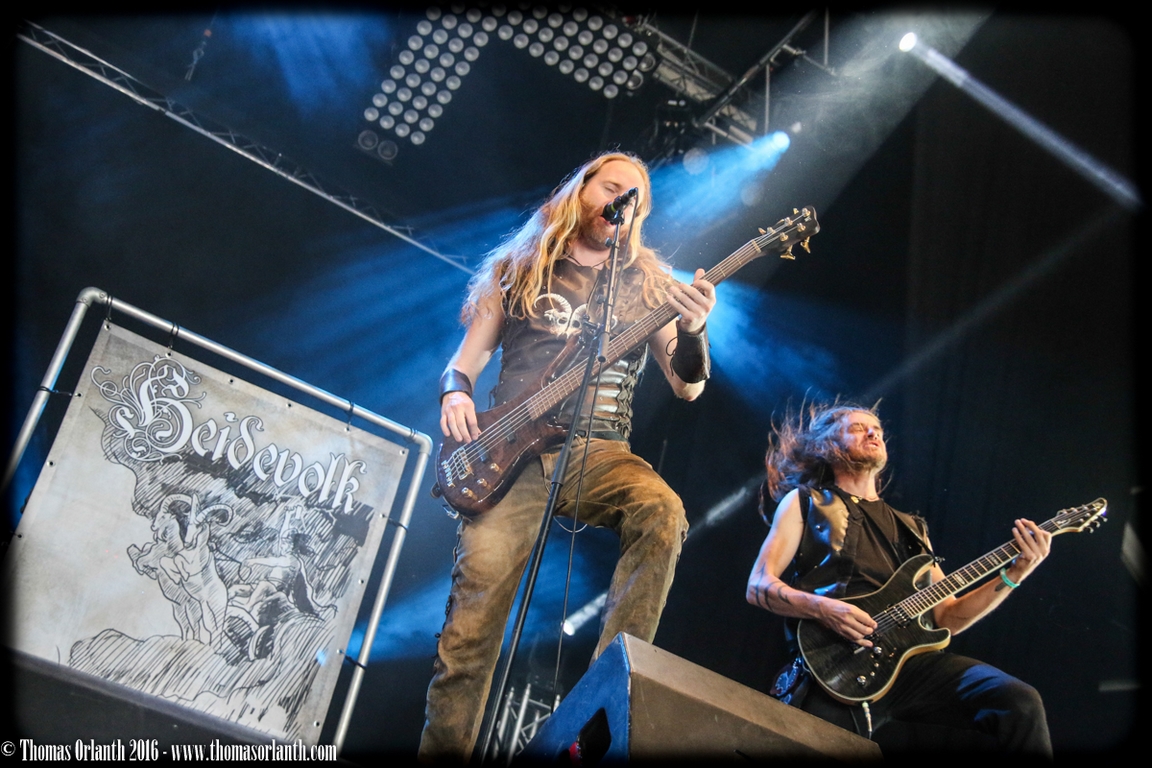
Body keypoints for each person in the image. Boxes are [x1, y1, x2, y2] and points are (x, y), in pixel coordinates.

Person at [420, 151, 717, 762]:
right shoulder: (520, 268)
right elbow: (462, 363)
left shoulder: (650, 284)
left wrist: (693, 332)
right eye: (612, 187)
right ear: (581, 191)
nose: (622, 201)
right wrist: (455, 393)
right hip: (509, 453)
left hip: (599, 448)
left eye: (635, 198)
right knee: (469, 635)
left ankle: (603, 705)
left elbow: (688, 386)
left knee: (662, 512)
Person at [746, 402, 1053, 755]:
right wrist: (824, 609)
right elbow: (759, 586)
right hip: (836, 662)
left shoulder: (913, 529)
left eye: (877, 429)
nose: (873, 433)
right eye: (858, 428)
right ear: (827, 446)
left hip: (908, 665)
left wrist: (1015, 572)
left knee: (1018, 701)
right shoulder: (806, 502)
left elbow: (948, 617)